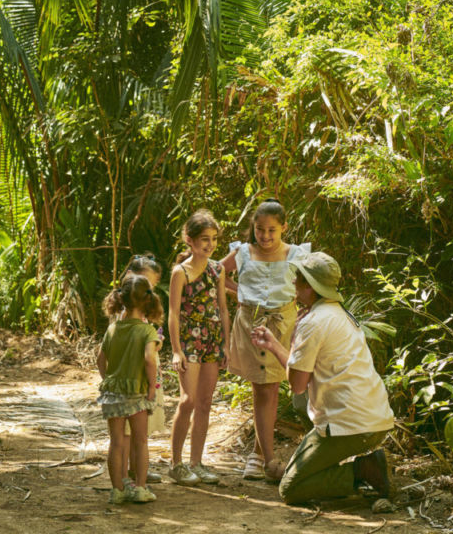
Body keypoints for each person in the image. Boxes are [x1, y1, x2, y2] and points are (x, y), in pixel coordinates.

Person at [250, 252, 394, 505]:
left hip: (350, 426)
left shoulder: (313, 322)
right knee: (301, 406)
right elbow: (300, 371)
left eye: (298, 278)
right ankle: (354, 467)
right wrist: (273, 345)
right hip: (374, 420)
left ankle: (363, 470)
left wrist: (293, 338)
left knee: (291, 488)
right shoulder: (338, 313)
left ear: (310, 286)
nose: (293, 282)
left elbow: (297, 385)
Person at [220, 198, 309, 481]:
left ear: (284, 227)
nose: (265, 236)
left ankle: (260, 456)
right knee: (262, 389)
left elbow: (312, 284)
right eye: (260, 230)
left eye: (272, 230)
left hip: (284, 323)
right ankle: (265, 459)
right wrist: (239, 291)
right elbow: (216, 272)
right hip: (252, 324)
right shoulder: (244, 252)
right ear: (253, 228)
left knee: (271, 388)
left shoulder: (296, 254)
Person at [167, 210, 230, 486]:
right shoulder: (180, 272)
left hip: (212, 341)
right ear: (190, 241)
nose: (210, 244)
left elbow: (223, 309)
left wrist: (226, 344)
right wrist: (176, 349)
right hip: (189, 342)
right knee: (188, 401)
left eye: (214, 239)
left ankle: (197, 463)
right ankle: (176, 464)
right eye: (205, 239)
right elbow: (173, 313)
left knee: (205, 402)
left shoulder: (218, 269)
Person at [97, 274, 163, 504]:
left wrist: (109, 380)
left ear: (122, 300)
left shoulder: (113, 329)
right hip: (137, 393)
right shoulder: (147, 331)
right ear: (148, 301)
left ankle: (117, 490)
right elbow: (149, 359)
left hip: (113, 393)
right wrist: (152, 387)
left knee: (116, 442)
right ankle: (140, 488)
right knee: (140, 441)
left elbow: (100, 359)